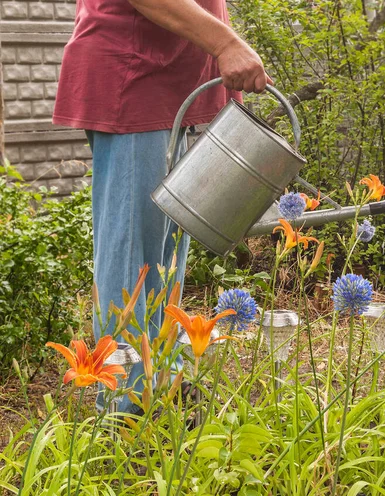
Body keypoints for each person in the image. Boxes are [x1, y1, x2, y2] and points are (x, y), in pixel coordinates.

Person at [53, 0, 271, 413]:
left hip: (166, 83)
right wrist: (225, 43)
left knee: (165, 256)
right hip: (135, 77)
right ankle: (123, 408)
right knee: (132, 254)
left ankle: (158, 386)